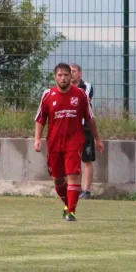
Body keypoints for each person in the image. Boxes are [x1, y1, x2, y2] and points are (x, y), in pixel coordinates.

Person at [34, 63, 104, 222]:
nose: (63, 78)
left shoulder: (80, 95)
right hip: (54, 143)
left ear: (70, 76)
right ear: (55, 77)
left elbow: (90, 119)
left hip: (74, 141)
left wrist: (97, 139)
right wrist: (37, 139)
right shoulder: (47, 95)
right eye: (60, 75)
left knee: (73, 175)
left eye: (66, 75)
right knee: (58, 179)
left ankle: (71, 211)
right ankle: (68, 204)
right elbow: (40, 119)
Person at [70, 63, 95, 199]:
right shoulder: (63, 87)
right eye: (69, 71)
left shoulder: (87, 86)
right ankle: (74, 189)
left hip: (84, 128)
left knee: (87, 159)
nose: (71, 74)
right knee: (72, 159)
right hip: (69, 129)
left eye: (73, 71)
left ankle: (86, 190)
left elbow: (83, 101)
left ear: (80, 73)